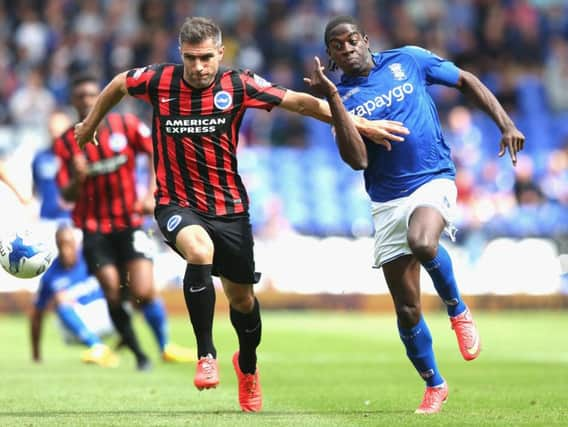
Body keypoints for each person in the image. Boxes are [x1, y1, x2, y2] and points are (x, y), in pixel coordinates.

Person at [74, 17, 408, 412]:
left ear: (220, 53)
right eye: (190, 59)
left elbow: (302, 102)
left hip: (229, 208)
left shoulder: (239, 84)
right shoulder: (158, 81)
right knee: (198, 251)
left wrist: (358, 122)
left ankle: (247, 367)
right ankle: (206, 355)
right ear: (181, 55)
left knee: (243, 301)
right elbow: (117, 84)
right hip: (175, 202)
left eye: (206, 59)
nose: (198, 68)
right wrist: (91, 125)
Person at [304, 16, 525, 414]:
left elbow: (466, 80)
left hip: (432, 178)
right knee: (407, 309)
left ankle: (457, 309)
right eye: (337, 45)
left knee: (423, 241)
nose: (348, 48)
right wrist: (334, 100)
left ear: (366, 40)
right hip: (386, 200)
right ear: (331, 56)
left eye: (353, 39)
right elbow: (356, 161)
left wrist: (506, 124)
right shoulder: (340, 100)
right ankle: (434, 383)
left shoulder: (408, 59)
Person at [54, 73, 194, 371]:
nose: (88, 101)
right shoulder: (67, 143)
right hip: (93, 228)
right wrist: (78, 179)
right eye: (81, 97)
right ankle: (139, 355)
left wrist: (151, 190)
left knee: (143, 290)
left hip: (130, 221)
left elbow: (157, 151)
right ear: (73, 102)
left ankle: (164, 346)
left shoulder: (126, 126)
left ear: (102, 97)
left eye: (93, 95)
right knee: (112, 290)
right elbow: (65, 193)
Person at [30, 225, 118, 367]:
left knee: (128, 284)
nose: (66, 250)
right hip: (75, 327)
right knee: (60, 299)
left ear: (76, 243)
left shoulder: (91, 257)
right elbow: (37, 314)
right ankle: (97, 347)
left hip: (106, 316)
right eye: (62, 245)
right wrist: (36, 354)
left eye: (69, 244)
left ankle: (160, 346)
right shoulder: (50, 275)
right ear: (57, 245)